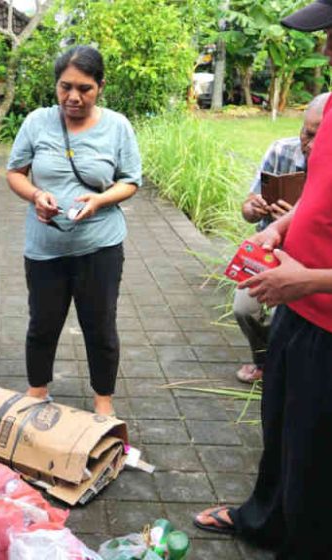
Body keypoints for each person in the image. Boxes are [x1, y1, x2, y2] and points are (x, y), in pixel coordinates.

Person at [194, 4, 332, 557]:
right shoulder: (331, 110)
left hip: (324, 317)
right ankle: (264, 520)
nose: (326, 47)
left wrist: (313, 279)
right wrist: (280, 227)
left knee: (316, 453)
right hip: (298, 310)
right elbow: (317, 195)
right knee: (280, 428)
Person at [5, 45, 141, 417]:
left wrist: (99, 201)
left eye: (84, 88)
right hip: (45, 246)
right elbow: (15, 173)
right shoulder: (37, 122)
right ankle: (37, 390)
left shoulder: (117, 126)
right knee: (42, 324)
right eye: (65, 87)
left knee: (100, 326)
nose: (73, 97)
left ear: (101, 86)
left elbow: (131, 181)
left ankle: (103, 400)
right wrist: (36, 195)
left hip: (100, 246)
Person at [232, 93, 327, 383]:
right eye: (307, 133)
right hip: (270, 253)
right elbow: (247, 209)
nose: (310, 144)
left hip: (312, 267)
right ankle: (264, 360)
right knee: (244, 308)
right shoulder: (281, 150)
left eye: (320, 135)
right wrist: (259, 212)